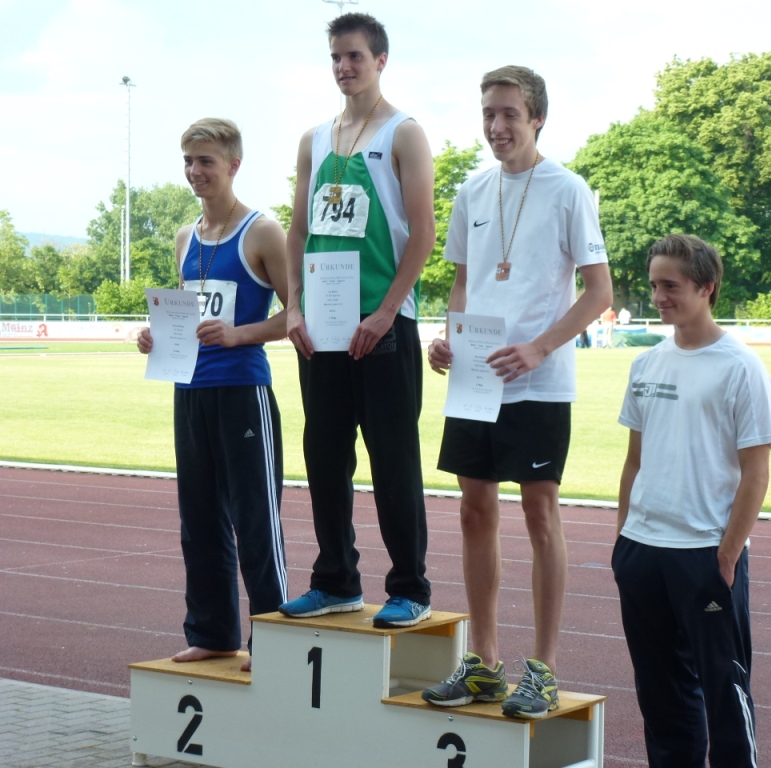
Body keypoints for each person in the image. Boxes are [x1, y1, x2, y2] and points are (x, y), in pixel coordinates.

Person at [422, 65, 612, 719]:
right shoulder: (471, 191)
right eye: (488, 114)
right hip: (476, 379)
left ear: (537, 119)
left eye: (509, 113)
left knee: (539, 513)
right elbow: (463, 284)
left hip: (539, 381)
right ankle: (483, 663)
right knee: (473, 512)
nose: (497, 126)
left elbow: (599, 292)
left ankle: (545, 669)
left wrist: (539, 347)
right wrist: (448, 338)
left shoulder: (568, 190)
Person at [278, 13, 436, 628]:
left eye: (355, 57)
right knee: (324, 456)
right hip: (323, 324)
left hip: (383, 323)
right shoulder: (314, 139)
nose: (344, 67)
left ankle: (410, 588)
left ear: (380, 61)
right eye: (337, 58)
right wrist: (294, 306)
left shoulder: (404, 133)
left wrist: (388, 310)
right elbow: (298, 230)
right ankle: (335, 581)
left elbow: (422, 233)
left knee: (393, 458)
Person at [612, 234, 771, 767]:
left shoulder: (740, 366)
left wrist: (727, 554)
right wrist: (623, 539)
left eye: (671, 285)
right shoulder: (646, 364)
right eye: (653, 285)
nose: (658, 297)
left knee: (724, 691)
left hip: (704, 552)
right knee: (660, 695)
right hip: (642, 551)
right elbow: (634, 461)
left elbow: (756, 471)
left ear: (706, 288)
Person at [137, 118, 290, 673]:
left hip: (243, 390)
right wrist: (157, 336)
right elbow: (189, 313)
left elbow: (297, 316)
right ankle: (213, 633)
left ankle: (272, 635)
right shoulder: (185, 237)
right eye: (188, 161)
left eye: (205, 161)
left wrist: (238, 334)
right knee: (199, 520)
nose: (194, 171)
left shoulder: (262, 231)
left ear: (233, 165)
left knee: (255, 519)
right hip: (190, 390)